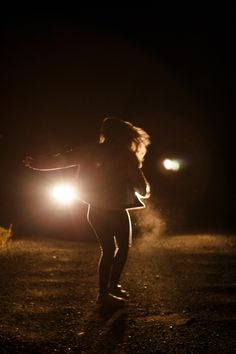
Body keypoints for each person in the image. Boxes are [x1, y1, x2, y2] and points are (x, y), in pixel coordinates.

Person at [24, 117, 151, 307]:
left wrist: (36, 164)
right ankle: (110, 288)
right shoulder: (125, 156)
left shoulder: (90, 150)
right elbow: (142, 189)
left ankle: (106, 291)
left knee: (108, 250)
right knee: (122, 248)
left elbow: (60, 160)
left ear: (105, 133)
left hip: (96, 211)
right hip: (116, 212)